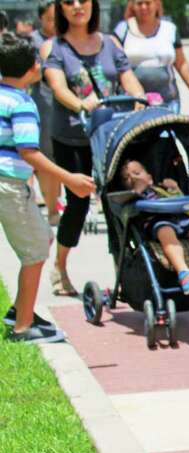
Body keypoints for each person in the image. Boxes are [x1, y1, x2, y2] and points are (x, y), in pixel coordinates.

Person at [41, 0, 143, 297]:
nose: (76, 7)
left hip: (110, 135)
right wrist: (81, 104)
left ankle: (125, 273)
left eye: (82, 1)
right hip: (72, 138)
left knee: (119, 203)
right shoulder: (54, 48)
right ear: (60, 8)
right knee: (78, 204)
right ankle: (60, 267)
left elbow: (128, 77)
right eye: (68, 2)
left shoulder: (110, 42)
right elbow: (58, 88)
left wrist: (138, 97)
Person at [0, 31, 94, 342]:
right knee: (36, 252)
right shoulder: (22, 104)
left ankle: (20, 309)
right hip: (11, 186)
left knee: (42, 239)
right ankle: (23, 326)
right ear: (31, 69)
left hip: (7, 186)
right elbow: (29, 152)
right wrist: (71, 179)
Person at [118, 157, 189, 293]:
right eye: (127, 177)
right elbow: (132, 210)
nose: (132, 177)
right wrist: (138, 191)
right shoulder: (133, 197)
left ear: (149, 177)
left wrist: (175, 188)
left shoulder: (162, 189)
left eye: (136, 173)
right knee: (165, 231)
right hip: (158, 221)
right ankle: (184, 272)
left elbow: (182, 201)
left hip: (180, 217)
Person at [113, 0, 189, 113]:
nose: (144, 7)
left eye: (148, 3)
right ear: (133, 6)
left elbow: (181, 63)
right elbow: (115, 64)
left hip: (167, 101)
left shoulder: (169, 29)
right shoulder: (122, 30)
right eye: (139, 3)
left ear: (156, 5)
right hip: (131, 103)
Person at [29, 2, 59, 226]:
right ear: (41, 19)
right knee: (48, 158)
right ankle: (52, 208)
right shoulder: (32, 41)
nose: (56, 23)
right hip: (45, 106)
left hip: (72, 109)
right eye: (51, 19)